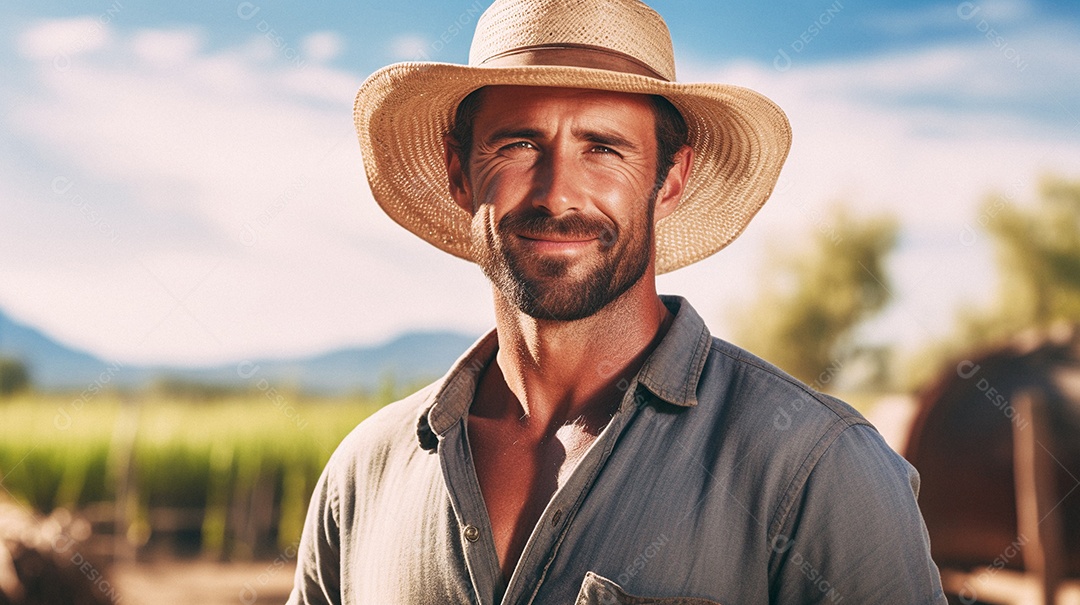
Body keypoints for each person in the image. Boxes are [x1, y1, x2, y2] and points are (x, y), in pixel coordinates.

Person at [289, 0, 947, 603]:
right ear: (460, 173)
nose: (557, 192)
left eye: (602, 148)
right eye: (519, 143)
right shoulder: (363, 475)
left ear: (671, 178)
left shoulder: (815, 469)